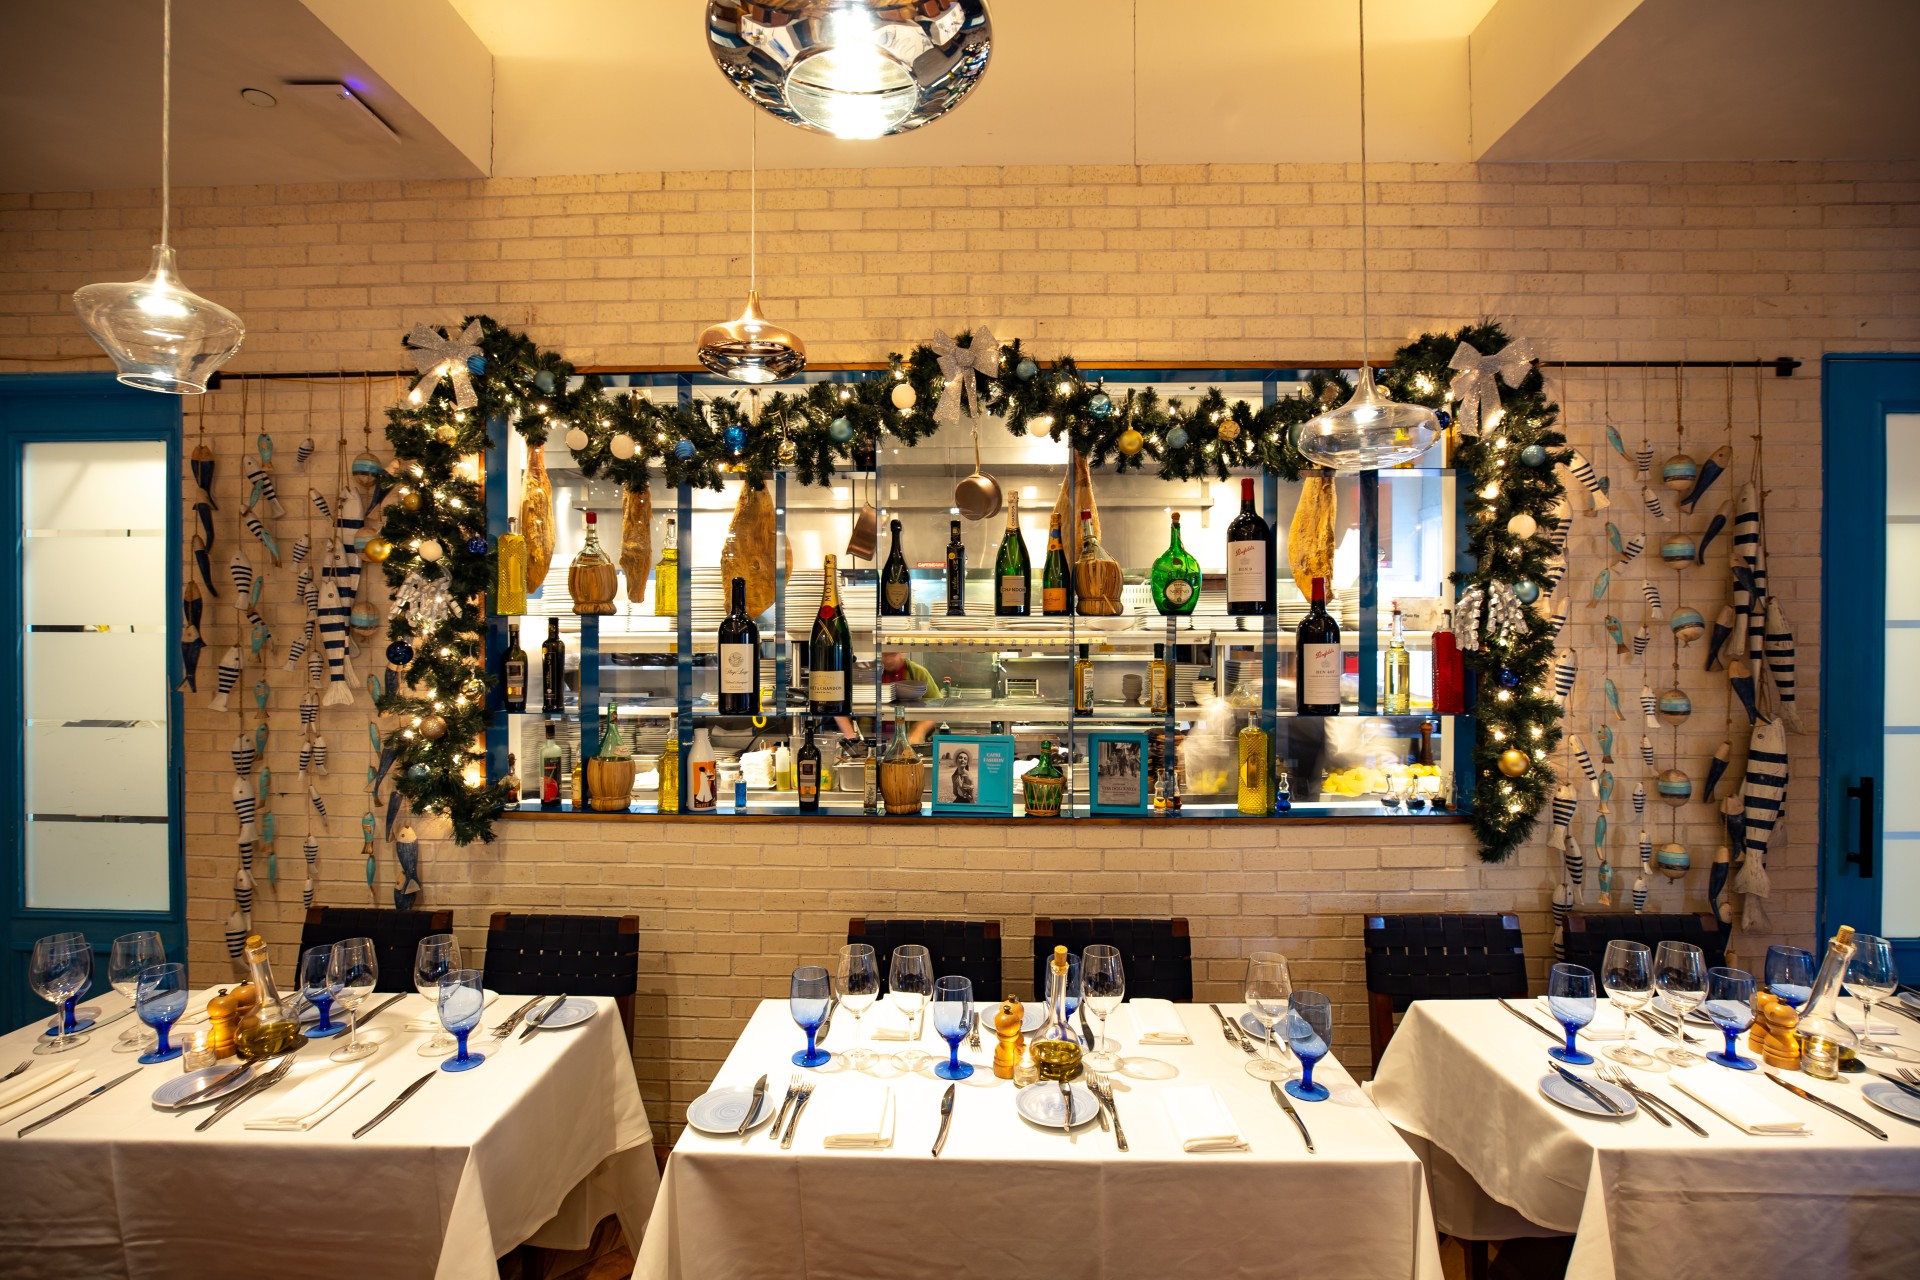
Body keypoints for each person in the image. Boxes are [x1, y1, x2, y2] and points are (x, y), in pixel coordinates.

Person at [836, 650, 944, 746]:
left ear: (903, 652)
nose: (888, 660)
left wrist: (919, 730)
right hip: (868, 743)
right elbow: (836, 703)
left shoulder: (918, 673)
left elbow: (938, 706)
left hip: (908, 743)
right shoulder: (864, 673)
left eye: (892, 654)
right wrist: (851, 734)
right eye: (884, 655)